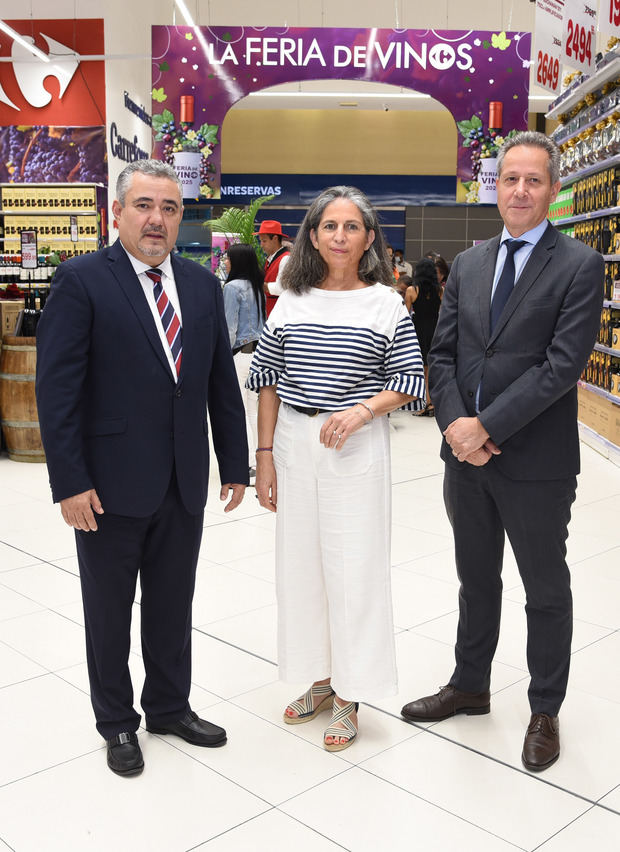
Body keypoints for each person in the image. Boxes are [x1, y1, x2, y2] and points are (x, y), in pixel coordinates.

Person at [35, 159, 248, 777]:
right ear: (119, 212)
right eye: (145, 206)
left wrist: (233, 463)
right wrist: (70, 481)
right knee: (108, 610)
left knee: (171, 603)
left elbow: (217, 386)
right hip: (106, 485)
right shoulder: (81, 281)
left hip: (183, 479)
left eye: (170, 208)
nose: (157, 219)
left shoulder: (202, 286)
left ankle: (168, 706)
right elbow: (58, 392)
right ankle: (117, 722)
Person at [401, 132, 604, 772]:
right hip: (464, 461)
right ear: (495, 186)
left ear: (552, 189)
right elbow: (444, 353)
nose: (519, 190)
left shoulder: (578, 264)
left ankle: (545, 706)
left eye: (533, 180)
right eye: (508, 178)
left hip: (535, 462)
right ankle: (470, 684)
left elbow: (561, 366)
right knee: (474, 578)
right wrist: (456, 425)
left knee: (544, 586)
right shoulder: (467, 263)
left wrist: (483, 427)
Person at [247, 185, 425, 752]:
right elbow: (267, 380)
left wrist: (361, 411)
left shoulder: (385, 303)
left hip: (356, 446)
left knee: (354, 568)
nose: (340, 236)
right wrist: (265, 455)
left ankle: (351, 691)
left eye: (352, 227)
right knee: (301, 566)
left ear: (369, 238)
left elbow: (410, 382)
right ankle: (321, 677)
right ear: (313, 235)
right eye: (330, 226)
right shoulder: (291, 297)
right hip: (297, 443)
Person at [223, 242, 266, 478]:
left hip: (240, 356)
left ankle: (247, 462)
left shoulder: (233, 288)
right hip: (258, 356)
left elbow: (229, 327)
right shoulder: (256, 286)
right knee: (252, 410)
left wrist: (221, 357)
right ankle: (258, 460)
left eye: (228, 258)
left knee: (239, 411)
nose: (226, 262)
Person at [411, 257, 441, 416]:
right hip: (435, 330)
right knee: (432, 369)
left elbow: (405, 313)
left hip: (418, 331)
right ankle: (432, 403)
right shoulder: (440, 291)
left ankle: (426, 403)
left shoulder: (412, 290)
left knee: (422, 370)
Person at [254, 219, 291, 318]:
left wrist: (260, 285)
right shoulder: (271, 258)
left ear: (275, 238)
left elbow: (282, 288)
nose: (261, 245)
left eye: (264, 241)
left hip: (280, 315)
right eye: (261, 241)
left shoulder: (286, 258)